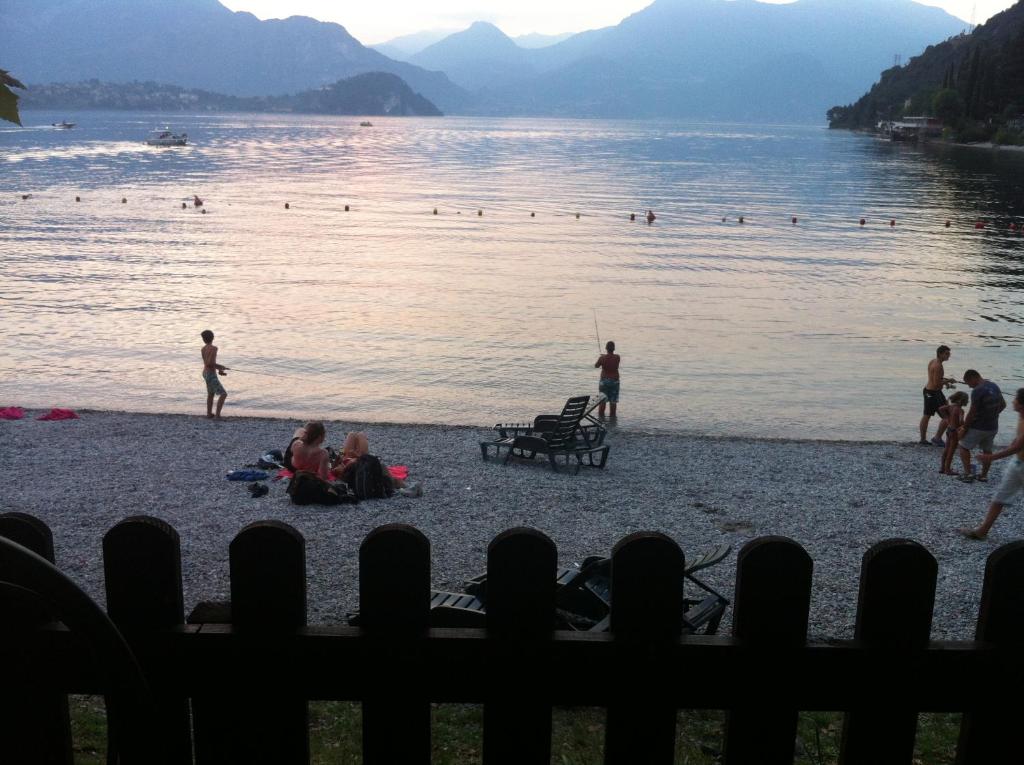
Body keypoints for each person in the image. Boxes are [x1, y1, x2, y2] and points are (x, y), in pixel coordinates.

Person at [959, 388, 1024, 540]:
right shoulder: (1021, 417)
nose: (1013, 401)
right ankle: (982, 531)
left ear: (1022, 404)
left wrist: (991, 457)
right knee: (1000, 496)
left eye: (1016, 399)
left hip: (1020, 464)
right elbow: (1016, 442)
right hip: (1017, 463)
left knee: (1000, 497)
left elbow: (1018, 446)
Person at [957, 369, 1006, 483]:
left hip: (978, 427)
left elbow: (972, 413)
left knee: (963, 446)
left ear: (973, 378)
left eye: (969, 383)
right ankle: (983, 476)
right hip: (993, 426)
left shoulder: (977, 391)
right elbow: (1003, 405)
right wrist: (992, 415)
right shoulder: (994, 385)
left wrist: (964, 428)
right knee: (987, 451)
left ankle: (968, 474)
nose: (969, 387)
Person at [919, 345, 955, 445]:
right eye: (946, 354)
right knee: (947, 416)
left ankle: (923, 439)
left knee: (928, 415)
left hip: (930, 391)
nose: (949, 356)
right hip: (933, 393)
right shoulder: (938, 366)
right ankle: (936, 438)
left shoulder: (933, 361)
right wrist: (949, 380)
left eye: (949, 354)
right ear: (940, 354)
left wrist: (946, 382)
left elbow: (935, 378)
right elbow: (936, 383)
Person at [938, 391, 969, 475]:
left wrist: (947, 418)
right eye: (967, 400)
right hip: (955, 432)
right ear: (962, 401)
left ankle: (942, 468)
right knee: (951, 451)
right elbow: (961, 421)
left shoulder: (950, 407)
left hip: (949, 429)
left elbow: (941, 408)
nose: (968, 402)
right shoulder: (960, 410)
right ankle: (947, 469)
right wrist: (965, 426)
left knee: (946, 449)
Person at [200, 329, 228, 419]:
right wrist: (220, 367)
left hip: (205, 373)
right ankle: (217, 415)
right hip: (210, 373)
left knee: (211, 393)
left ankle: (209, 414)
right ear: (213, 338)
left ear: (203, 339)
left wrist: (220, 369)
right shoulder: (214, 348)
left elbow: (207, 363)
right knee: (223, 394)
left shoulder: (203, 349)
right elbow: (210, 363)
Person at [594, 340, 621, 418]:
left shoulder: (602, 358)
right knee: (613, 401)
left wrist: (601, 357)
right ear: (614, 349)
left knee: (602, 401)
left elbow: (596, 366)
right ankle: (612, 421)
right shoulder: (617, 357)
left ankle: (601, 420)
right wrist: (604, 356)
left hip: (604, 381)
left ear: (606, 348)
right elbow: (612, 359)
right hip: (615, 381)